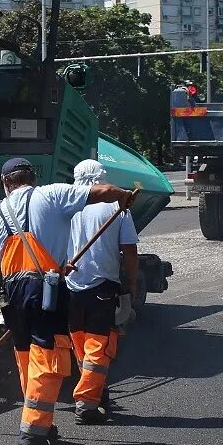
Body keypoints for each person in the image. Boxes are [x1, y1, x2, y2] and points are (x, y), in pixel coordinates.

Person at [0, 157, 135, 445]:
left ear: (5, 183)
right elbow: (99, 191)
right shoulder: (50, 195)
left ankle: (41, 423)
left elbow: (1, 254)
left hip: (13, 290)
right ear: (33, 178)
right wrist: (122, 195)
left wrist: (48, 267)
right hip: (46, 290)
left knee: (25, 356)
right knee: (47, 356)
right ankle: (33, 434)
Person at [64, 159, 140, 425]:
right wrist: (132, 285)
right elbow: (129, 251)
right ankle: (86, 403)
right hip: (103, 286)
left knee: (80, 345)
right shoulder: (118, 207)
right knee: (99, 347)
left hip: (71, 285)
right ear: (102, 177)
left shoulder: (66, 206)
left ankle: (97, 391)